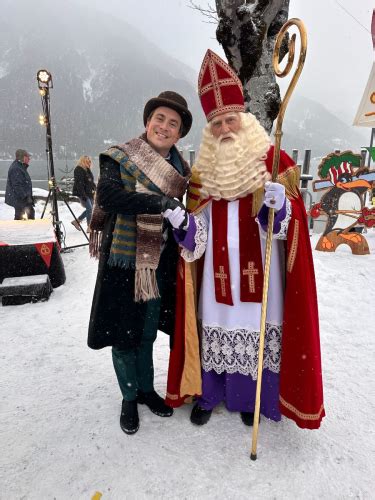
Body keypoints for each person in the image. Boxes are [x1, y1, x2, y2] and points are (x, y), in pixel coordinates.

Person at [165, 50, 325, 430]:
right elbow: (198, 241)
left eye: (230, 119)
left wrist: (279, 206)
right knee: (215, 331)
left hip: (263, 277)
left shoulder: (274, 162)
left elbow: (291, 230)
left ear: (245, 119)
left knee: (257, 334)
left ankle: (253, 397)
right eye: (217, 123)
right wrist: (182, 226)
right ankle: (211, 393)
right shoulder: (203, 174)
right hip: (216, 280)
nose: (224, 129)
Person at [88, 91, 192, 435]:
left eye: (172, 123)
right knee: (124, 333)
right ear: (148, 122)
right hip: (123, 261)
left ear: (179, 134)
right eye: (159, 119)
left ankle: (147, 390)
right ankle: (128, 397)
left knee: (147, 332)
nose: (164, 127)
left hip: (159, 263)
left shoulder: (181, 171)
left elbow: (186, 214)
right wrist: (161, 204)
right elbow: (110, 196)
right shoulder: (118, 157)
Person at [5, 149, 35, 220]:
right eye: (28, 157)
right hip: (20, 200)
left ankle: (28, 229)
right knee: (20, 217)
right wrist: (25, 197)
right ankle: (25, 229)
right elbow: (17, 185)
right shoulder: (16, 168)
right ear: (23, 157)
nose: (29, 159)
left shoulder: (20, 167)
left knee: (28, 214)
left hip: (22, 199)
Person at [71, 155, 96, 232]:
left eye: (89, 161)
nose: (89, 162)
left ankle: (77, 221)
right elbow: (79, 183)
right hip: (83, 193)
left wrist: (95, 188)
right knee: (90, 209)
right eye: (87, 161)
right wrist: (83, 195)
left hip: (89, 193)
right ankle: (89, 227)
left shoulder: (88, 170)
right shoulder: (78, 169)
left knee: (90, 209)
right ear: (83, 161)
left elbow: (90, 181)